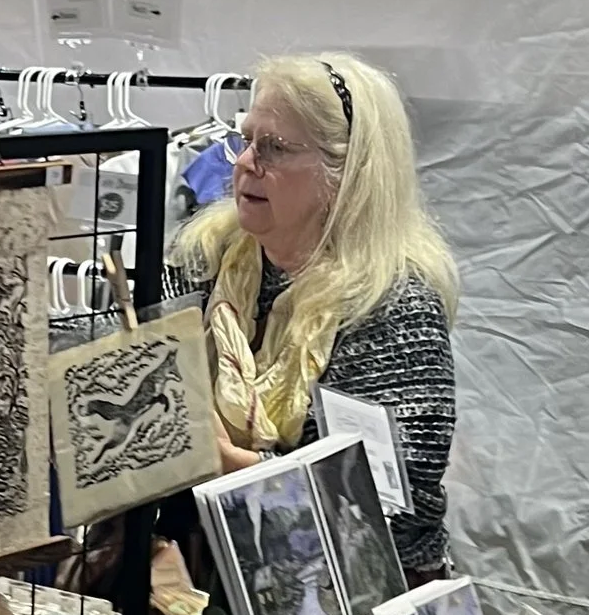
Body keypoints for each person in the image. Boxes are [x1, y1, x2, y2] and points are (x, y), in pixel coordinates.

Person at [173, 53, 458, 579]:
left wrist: (225, 463)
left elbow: (383, 511)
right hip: (219, 578)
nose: (243, 163)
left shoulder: (393, 308)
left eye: (275, 148)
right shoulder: (205, 261)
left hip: (355, 605)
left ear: (346, 173)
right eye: (246, 139)